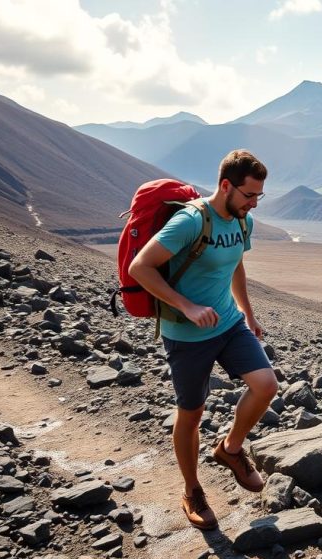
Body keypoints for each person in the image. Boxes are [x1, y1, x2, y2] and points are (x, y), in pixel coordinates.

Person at [128, 149, 277, 530]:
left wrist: (248, 312)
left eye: (259, 196)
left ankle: (230, 450)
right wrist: (187, 306)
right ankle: (192, 490)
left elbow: (236, 265)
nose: (254, 203)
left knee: (265, 385)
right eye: (249, 195)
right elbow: (139, 267)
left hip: (228, 323)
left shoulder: (242, 222)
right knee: (191, 414)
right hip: (187, 335)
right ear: (226, 185)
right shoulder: (190, 221)